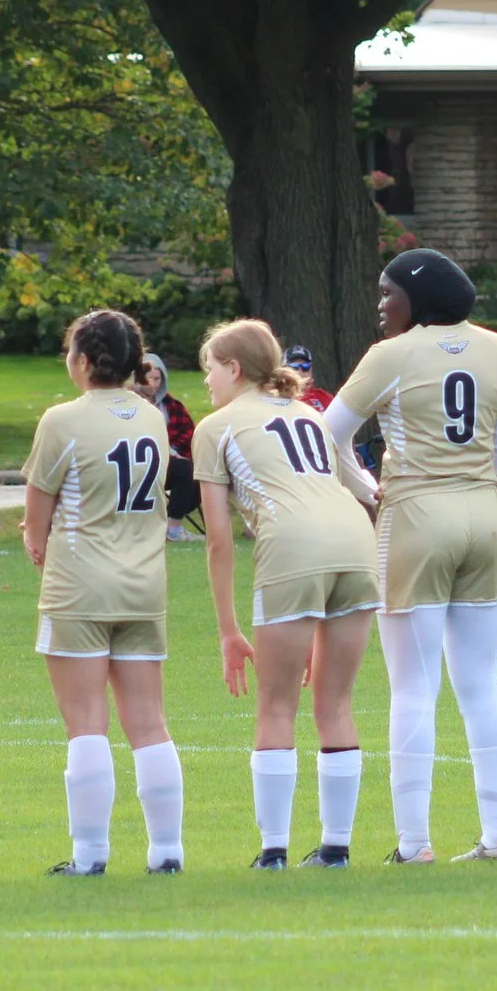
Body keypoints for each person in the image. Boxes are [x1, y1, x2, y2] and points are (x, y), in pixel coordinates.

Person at [324, 248, 497, 863]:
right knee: (481, 684)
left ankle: (414, 844)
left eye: (389, 293)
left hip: (416, 515)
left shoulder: (391, 355)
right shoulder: (495, 347)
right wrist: (469, 476)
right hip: (485, 517)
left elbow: (329, 431)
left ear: (420, 296)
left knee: (413, 688)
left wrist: (367, 489)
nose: (381, 305)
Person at [194, 318, 382, 868]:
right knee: (336, 702)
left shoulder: (218, 426)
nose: (206, 381)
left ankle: (273, 850)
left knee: (276, 705)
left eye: (210, 368)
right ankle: (336, 849)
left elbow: (218, 542)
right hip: (355, 542)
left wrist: (229, 630)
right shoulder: (311, 416)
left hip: (294, 547)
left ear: (233, 368)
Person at [23, 310, 186, 875]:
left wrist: (35, 544)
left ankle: (90, 856)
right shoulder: (151, 416)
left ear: (85, 361)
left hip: (81, 586)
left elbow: (37, 511)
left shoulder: (62, 420)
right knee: (149, 722)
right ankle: (168, 851)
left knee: (86, 723)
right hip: (144, 583)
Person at [137, 352, 200, 541]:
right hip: (140, 463)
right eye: (150, 378)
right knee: (185, 469)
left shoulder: (171, 405)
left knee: (200, 471)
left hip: (169, 463)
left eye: (158, 379)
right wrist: (170, 453)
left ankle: (170, 523)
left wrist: (177, 452)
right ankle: (174, 529)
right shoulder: (130, 405)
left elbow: (189, 433)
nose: (154, 384)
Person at [285, 344, 335, 412]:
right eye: (294, 366)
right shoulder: (276, 398)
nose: (300, 371)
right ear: (284, 369)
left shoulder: (323, 397)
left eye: (305, 366)